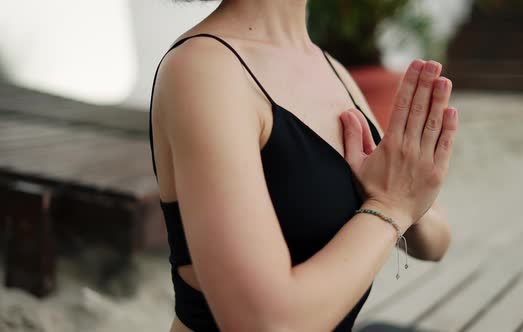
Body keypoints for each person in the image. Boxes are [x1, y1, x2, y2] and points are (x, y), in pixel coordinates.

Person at [148, 0, 457, 331]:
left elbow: (438, 240)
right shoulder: (204, 69)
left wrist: (405, 195)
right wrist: (391, 206)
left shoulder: (330, 68)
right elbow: (264, 324)